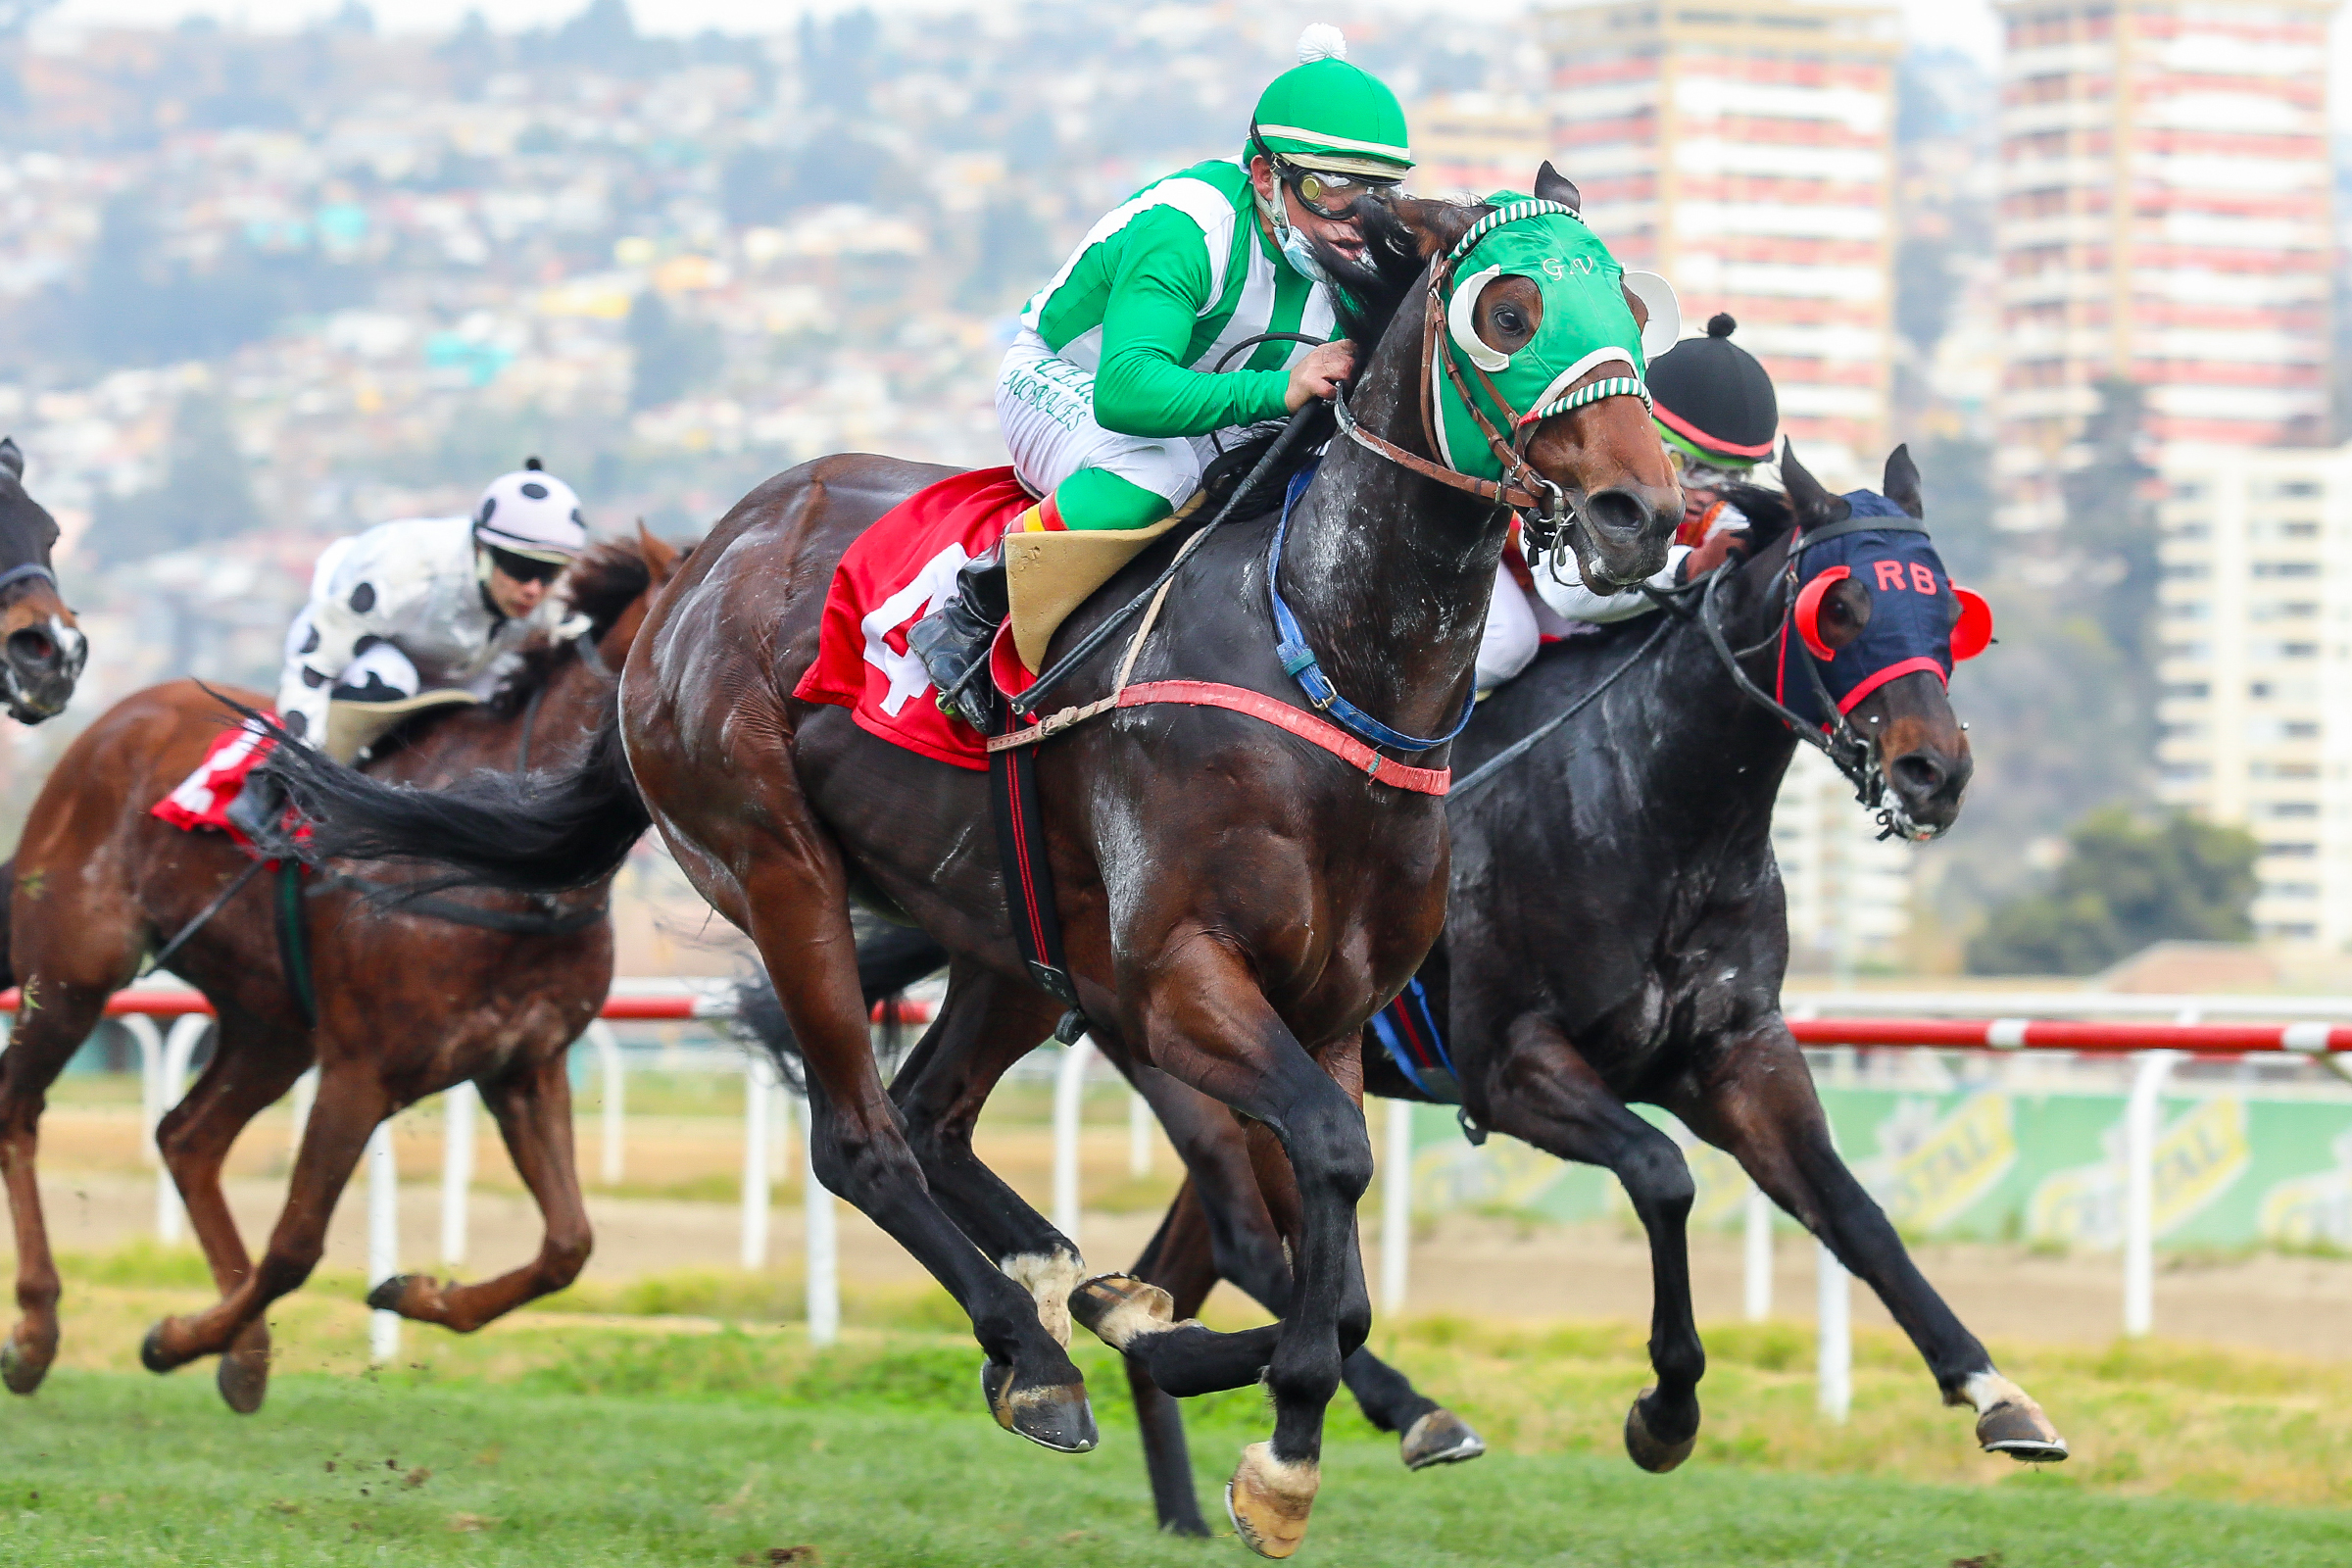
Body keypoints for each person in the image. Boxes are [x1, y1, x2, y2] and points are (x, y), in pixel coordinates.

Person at [909, 24, 1410, 728]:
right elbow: (1126, 393)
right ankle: (970, 608)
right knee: (1160, 471)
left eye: (1379, 192)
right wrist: (1282, 388)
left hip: (1205, 406)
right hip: (1069, 381)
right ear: (1266, 176)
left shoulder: (1353, 252)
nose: (1357, 219)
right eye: (1331, 187)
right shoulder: (1189, 227)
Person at [221, 460, 588, 840]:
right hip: (354, 635)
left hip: (458, 662)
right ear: (481, 547)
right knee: (392, 677)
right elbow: (314, 660)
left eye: (549, 572)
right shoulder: (408, 572)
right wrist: (297, 756)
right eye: (519, 567)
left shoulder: (553, 598)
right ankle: (272, 785)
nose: (533, 589)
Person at [1474, 312, 1780, 693]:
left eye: (1731, 478)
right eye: (1695, 469)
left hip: (1533, 590)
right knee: (1507, 647)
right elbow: (1567, 590)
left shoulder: (1717, 510)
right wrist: (1690, 567)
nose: (1709, 494)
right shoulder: (1588, 475)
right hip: (1484, 555)